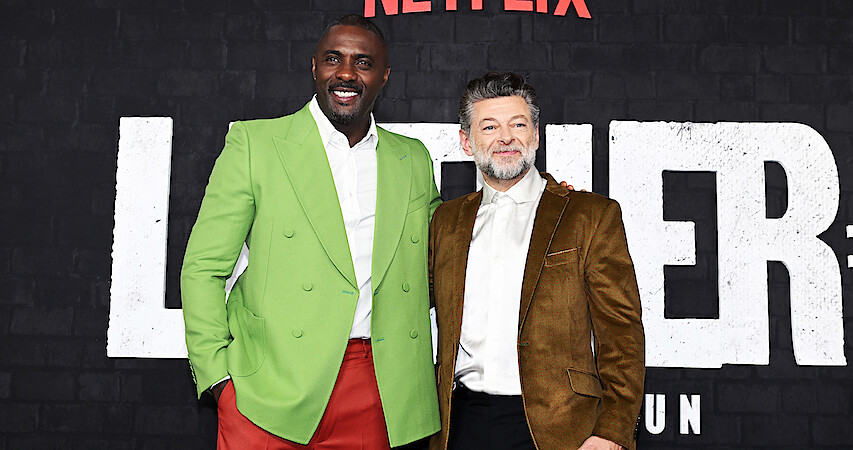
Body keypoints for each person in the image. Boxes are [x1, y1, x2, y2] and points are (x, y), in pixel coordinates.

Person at [181, 14, 440, 449]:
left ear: (384, 75)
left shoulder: (411, 158)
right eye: (333, 59)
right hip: (269, 389)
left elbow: (442, 253)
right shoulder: (256, 144)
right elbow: (203, 267)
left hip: (378, 390)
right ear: (314, 67)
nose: (345, 73)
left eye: (363, 62)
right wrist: (218, 380)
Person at [429, 72, 645, 450]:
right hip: (460, 424)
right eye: (489, 126)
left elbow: (622, 335)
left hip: (561, 427)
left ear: (536, 135)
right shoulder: (445, 221)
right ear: (467, 141)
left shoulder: (590, 215)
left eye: (518, 124)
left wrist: (612, 431)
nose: (506, 137)